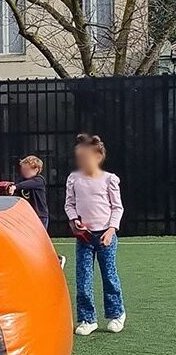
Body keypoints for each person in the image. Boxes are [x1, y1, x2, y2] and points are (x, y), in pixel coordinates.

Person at [65, 133, 125, 336]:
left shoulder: (109, 180)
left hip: (105, 236)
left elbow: (117, 208)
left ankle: (117, 314)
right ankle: (87, 318)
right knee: (83, 279)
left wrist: (110, 230)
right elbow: (69, 204)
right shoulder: (73, 179)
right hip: (84, 237)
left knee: (109, 275)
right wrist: (74, 221)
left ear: (98, 157)